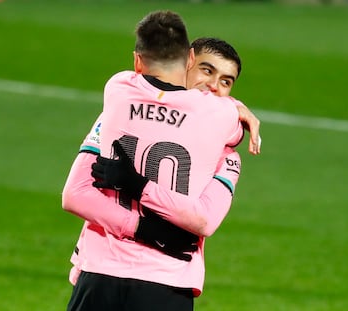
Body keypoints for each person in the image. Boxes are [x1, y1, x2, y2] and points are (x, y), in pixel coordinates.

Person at [62, 11, 260, 311]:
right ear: (188, 61)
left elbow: (206, 219)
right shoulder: (226, 134)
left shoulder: (118, 103)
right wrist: (238, 109)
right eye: (207, 71)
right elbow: (75, 194)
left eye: (226, 82)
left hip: (108, 273)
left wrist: (138, 189)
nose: (214, 87)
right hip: (153, 279)